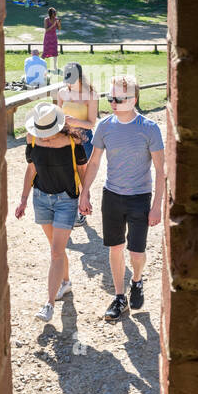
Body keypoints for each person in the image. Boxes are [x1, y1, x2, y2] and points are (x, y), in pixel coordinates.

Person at [78, 74, 164, 321]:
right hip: (112, 196)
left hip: (140, 197)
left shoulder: (150, 128)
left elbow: (161, 170)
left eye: (119, 98)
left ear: (134, 99)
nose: (113, 102)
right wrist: (84, 193)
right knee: (115, 247)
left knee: (136, 253)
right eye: (110, 97)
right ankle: (119, 297)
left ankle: (137, 280)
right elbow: (94, 162)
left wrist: (157, 206)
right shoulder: (105, 126)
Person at [15, 101, 89, 322]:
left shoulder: (73, 141)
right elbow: (31, 169)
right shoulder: (32, 139)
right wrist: (23, 199)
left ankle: (48, 304)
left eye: (47, 132)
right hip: (41, 198)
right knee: (56, 248)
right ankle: (65, 283)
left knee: (56, 252)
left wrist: (85, 196)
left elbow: (83, 171)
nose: (43, 136)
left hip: (66, 200)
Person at [57, 62, 98, 224]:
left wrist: (75, 121)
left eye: (72, 80)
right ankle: (68, 208)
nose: (69, 84)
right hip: (65, 138)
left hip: (84, 139)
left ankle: (82, 208)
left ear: (80, 78)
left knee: (81, 176)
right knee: (66, 175)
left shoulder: (91, 95)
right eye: (66, 80)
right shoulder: (61, 93)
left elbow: (91, 123)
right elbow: (57, 115)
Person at [42, 7, 61, 72]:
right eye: (54, 12)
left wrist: (58, 24)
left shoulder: (56, 19)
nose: (55, 13)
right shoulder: (46, 19)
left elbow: (59, 29)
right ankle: (42, 66)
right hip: (47, 37)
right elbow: (46, 30)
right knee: (45, 51)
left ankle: (55, 67)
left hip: (54, 37)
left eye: (55, 12)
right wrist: (53, 25)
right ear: (50, 13)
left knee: (55, 52)